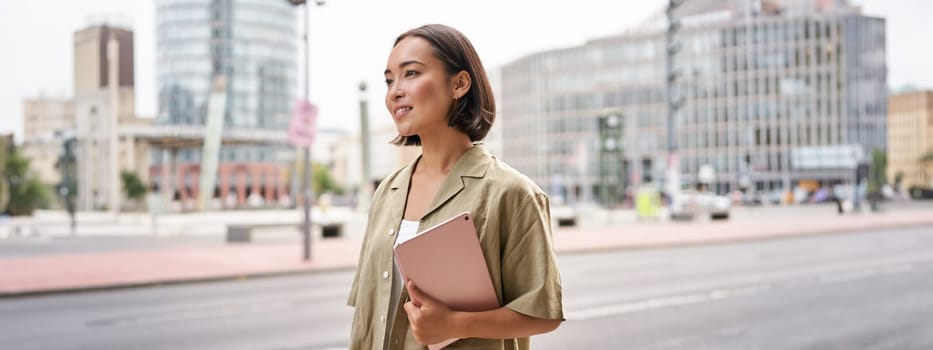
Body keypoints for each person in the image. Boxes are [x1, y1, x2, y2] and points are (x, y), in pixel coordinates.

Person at [346, 24, 564, 350]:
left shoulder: (512, 193)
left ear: (459, 84)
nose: (395, 91)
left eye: (411, 74)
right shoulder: (387, 191)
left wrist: (454, 324)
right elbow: (368, 312)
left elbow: (543, 313)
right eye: (390, 80)